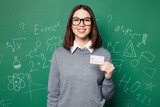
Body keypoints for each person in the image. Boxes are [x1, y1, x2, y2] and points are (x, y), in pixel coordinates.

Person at [47, 5, 115, 107]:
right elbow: (53, 94)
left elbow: (107, 97)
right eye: (76, 20)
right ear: (71, 24)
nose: (81, 24)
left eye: (86, 20)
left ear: (92, 25)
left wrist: (108, 77)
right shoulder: (59, 55)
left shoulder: (104, 55)